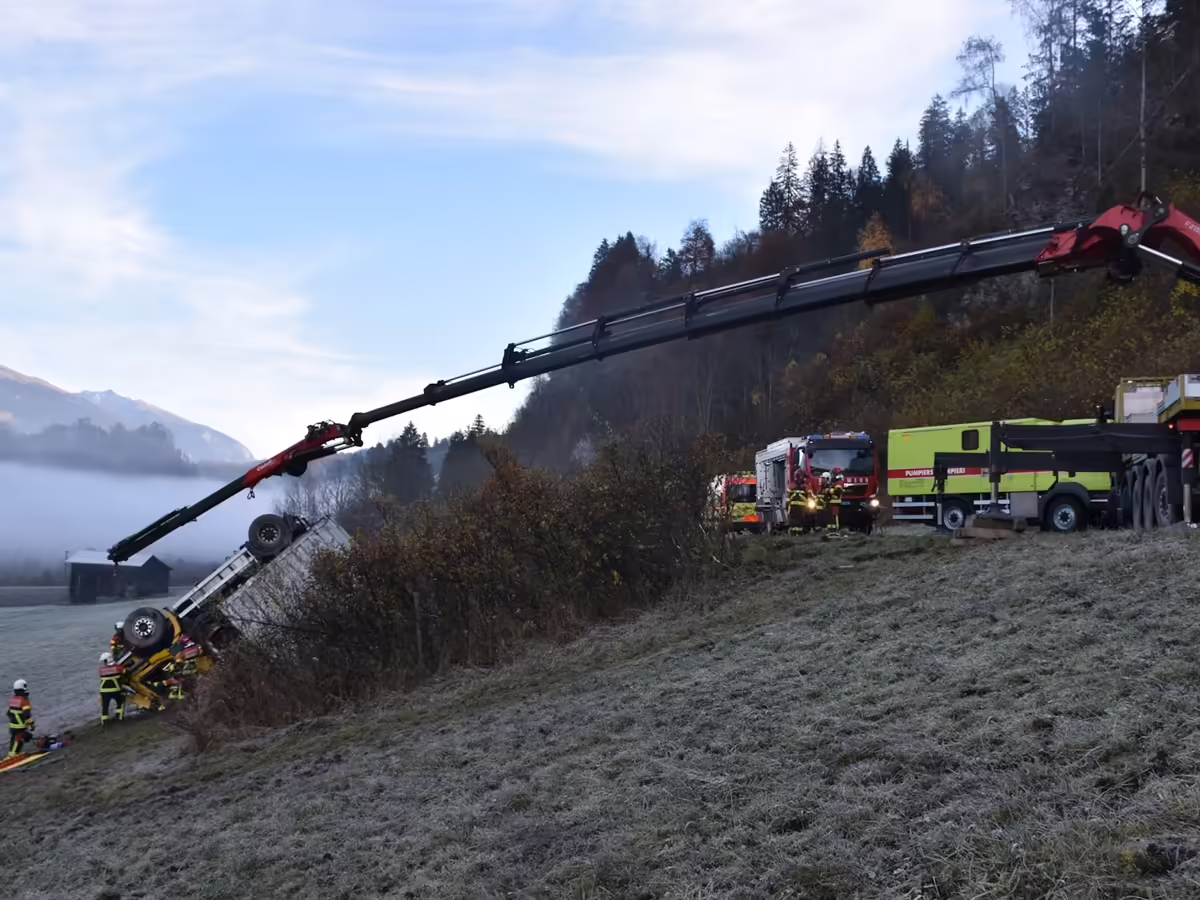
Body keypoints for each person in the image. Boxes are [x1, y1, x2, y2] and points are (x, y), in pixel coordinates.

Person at [7, 679, 34, 758]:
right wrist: (32, 725)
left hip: (12, 725)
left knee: (13, 741)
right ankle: (12, 757)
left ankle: (11, 755)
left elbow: (9, 713)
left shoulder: (13, 699)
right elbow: (27, 715)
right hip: (20, 726)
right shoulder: (24, 700)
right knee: (18, 741)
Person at [98, 653, 127, 726]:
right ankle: (119, 717)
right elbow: (125, 672)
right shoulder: (118, 668)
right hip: (116, 690)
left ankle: (104, 722)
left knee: (105, 706)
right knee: (120, 703)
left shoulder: (101, 670)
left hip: (104, 691)